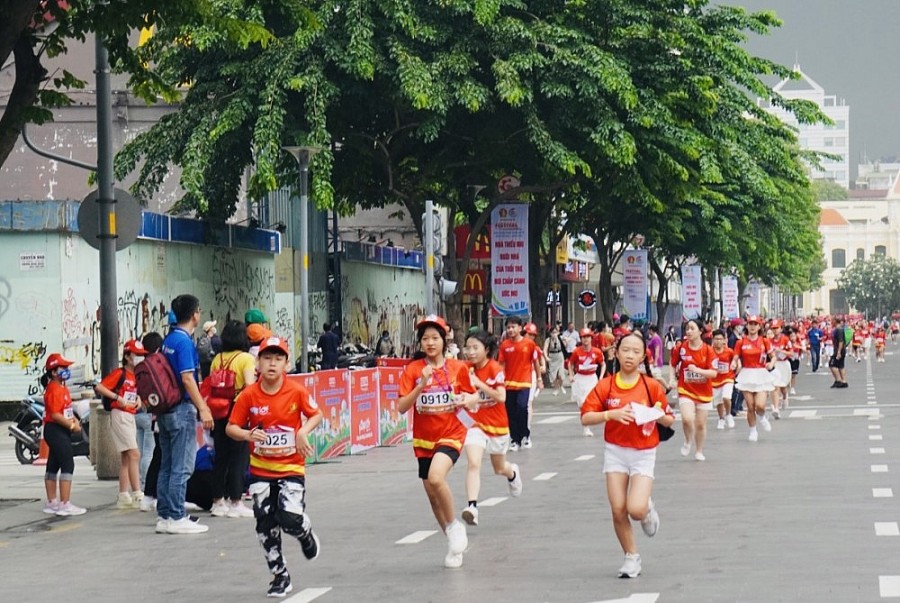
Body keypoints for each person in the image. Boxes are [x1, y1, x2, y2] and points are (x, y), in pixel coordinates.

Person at [226, 337, 323, 598]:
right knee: (264, 523)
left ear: (286, 364)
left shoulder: (296, 391)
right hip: (260, 469)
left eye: (278, 359)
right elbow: (231, 427)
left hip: (291, 467)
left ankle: (304, 532)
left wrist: (303, 431)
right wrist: (247, 435)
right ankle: (280, 575)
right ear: (257, 363)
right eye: (267, 358)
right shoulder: (249, 395)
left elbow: (317, 414)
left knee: (289, 518)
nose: (272, 363)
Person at [580, 333, 675, 579]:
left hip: (643, 453)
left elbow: (669, 418)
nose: (630, 355)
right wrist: (610, 415)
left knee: (635, 509)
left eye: (635, 351)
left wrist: (654, 414)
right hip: (615, 451)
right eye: (625, 350)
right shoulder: (606, 385)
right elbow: (586, 417)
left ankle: (647, 509)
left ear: (643, 356)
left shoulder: (651, 386)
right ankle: (631, 557)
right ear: (616, 353)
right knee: (618, 508)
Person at [397, 315, 477, 568]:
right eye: (425, 338)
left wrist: (466, 400)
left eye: (435, 337)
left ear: (444, 340)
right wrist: (421, 384)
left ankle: (454, 527)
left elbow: (473, 397)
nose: (430, 342)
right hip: (424, 440)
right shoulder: (412, 370)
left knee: (436, 478)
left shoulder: (458, 368)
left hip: (452, 433)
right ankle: (454, 545)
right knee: (432, 496)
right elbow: (401, 407)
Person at [158, 294, 214, 535]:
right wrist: (203, 407)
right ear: (195, 314)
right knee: (182, 466)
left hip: (165, 409)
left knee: (168, 465)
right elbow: (188, 378)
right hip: (181, 409)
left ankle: (164, 514)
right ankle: (177, 515)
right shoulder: (184, 343)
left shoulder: (168, 340)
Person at [460, 329, 522, 527]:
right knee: (473, 463)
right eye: (467, 347)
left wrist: (479, 385)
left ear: (486, 350)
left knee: (499, 468)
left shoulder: (494, 368)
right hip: (474, 424)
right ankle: (472, 507)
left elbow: (501, 397)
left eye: (475, 348)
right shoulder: (465, 369)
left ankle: (512, 473)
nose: (470, 352)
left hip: (497, 425)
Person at [208, 320, 257, 519]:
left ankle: (218, 501)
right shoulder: (245, 358)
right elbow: (249, 386)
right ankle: (236, 501)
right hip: (237, 411)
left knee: (221, 457)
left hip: (218, 410)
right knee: (239, 456)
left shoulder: (217, 359)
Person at [94, 339, 148, 509]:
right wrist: (118, 398)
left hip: (131, 416)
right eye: (136, 355)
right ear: (127, 356)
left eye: (141, 355)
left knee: (126, 457)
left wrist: (138, 399)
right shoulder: (120, 374)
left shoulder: (136, 376)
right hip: (120, 415)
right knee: (134, 454)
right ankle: (138, 493)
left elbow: (137, 393)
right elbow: (101, 387)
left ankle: (124, 495)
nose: (140, 358)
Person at [40, 353, 87, 517]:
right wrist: (72, 425)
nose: (67, 370)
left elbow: (66, 410)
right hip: (55, 429)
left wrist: (75, 421)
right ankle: (64, 503)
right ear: (53, 372)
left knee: (53, 464)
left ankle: (52, 502)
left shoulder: (62, 387)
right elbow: (55, 415)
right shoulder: (53, 389)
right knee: (67, 464)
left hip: (59, 430)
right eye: (63, 368)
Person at [668, 319, 717, 461]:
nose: (688, 331)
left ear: (700, 331)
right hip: (686, 389)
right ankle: (688, 440)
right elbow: (672, 364)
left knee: (700, 424)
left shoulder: (708, 350)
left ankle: (699, 450)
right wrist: (672, 379)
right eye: (687, 329)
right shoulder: (681, 348)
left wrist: (698, 370)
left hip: (704, 392)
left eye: (692, 328)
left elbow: (713, 373)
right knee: (687, 419)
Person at [498, 317, 543, 451]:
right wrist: (498, 380)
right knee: (511, 412)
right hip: (509, 383)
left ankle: (525, 435)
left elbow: (535, 362)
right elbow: (501, 364)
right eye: (508, 327)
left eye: (513, 327)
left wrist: (539, 378)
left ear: (520, 328)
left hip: (524, 382)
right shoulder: (504, 345)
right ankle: (515, 439)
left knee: (522, 408)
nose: (511, 330)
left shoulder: (529, 344)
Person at [731, 315, 775, 442]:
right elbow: (735, 357)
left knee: (759, 405)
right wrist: (734, 363)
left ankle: (761, 416)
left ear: (759, 326)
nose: (752, 326)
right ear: (747, 325)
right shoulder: (741, 342)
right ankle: (753, 430)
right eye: (750, 323)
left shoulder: (764, 341)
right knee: (750, 406)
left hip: (761, 373)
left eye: (755, 324)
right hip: (747, 374)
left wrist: (771, 364)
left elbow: (773, 356)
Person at [138, 332, 163, 512]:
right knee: (156, 454)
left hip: (147, 413)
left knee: (150, 454)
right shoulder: (158, 365)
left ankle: (146, 492)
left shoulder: (142, 366)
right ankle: (152, 492)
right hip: (159, 416)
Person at [568, 327, 606, 437]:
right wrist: (571, 375)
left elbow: (603, 364)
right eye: (583, 337)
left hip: (592, 378)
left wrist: (601, 377)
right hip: (580, 378)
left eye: (588, 337)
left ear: (591, 338)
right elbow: (570, 364)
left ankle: (598, 422)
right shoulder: (577, 351)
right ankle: (586, 427)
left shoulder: (597, 352)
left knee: (591, 402)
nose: (586, 339)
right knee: (582, 404)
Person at [710, 330, 736, 430]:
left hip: (727, 378)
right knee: (718, 402)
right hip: (714, 380)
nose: (718, 341)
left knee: (726, 397)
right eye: (716, 339)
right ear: (713, 340)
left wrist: (735, 366)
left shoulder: (729, 351)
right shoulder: (709, 351)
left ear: (724, 340)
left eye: (720, 339)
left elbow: (735, 360)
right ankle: (721, 419)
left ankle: (729, 415)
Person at [768, 322, 792, 420]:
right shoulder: (769, 341)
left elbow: (791, 353)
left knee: (783, 387)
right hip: (775, 364)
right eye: (773, 328)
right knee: (775, 386)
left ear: (781, 329)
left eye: (777, 328)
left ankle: (785, 396)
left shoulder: (785, 339)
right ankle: (775, 408)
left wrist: (781, 351)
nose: (775, 330)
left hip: (784, 364)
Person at [543, 324, 567, 396]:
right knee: (553, 375)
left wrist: (566, 342)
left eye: (555, 332)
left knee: (560, 374)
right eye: (553, 332)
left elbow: (565, 345)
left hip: (559, 356)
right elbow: (545, 349)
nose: (554, 334)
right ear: (550, 333)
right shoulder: (548, 340)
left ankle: (561, 385)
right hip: (552, 357)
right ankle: (556, 388)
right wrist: (546, 357)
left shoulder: (560, 338)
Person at [829, 317, 848, 388]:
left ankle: (838, 380)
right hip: (841, 350)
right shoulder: (840, 329)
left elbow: (841, 341)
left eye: (832, 321)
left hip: (839, 350)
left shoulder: (839, 330)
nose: (831, 322)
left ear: (835, 321)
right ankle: (844, 381)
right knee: (840, 366)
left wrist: (839, 352)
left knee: (831, 364)